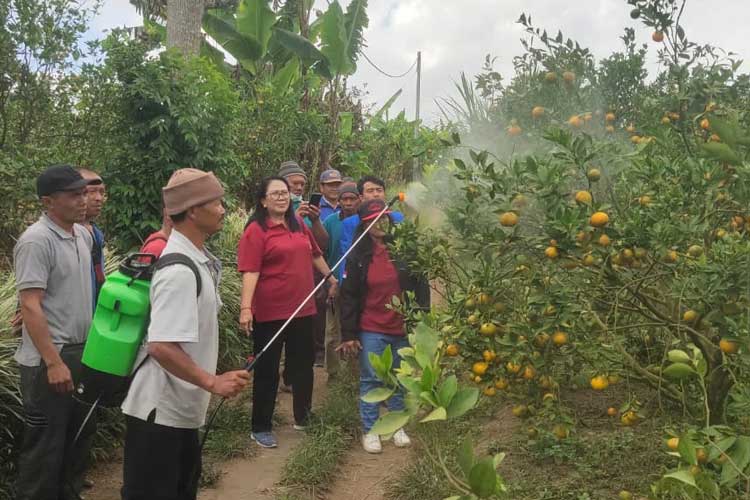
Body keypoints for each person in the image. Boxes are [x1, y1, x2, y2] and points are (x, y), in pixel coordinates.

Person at [121, 168, 250, 500]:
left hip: (179, 412)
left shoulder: (197, 261)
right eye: (217, 202)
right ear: (193, 210)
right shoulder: (179, 270)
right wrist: (213, 381)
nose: (223, 209)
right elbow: (161, 346)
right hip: (159, 415)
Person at [13, 164, 96, 500]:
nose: (83, 200)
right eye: (74, 194)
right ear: (48, 201)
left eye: (84, 192)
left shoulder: (83, 235)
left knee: (77, 441)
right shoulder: (36, 240)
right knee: (44, 450)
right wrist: (53, 362)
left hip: (82, 352)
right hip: (51, 358)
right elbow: (31, 305)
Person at [237, 176, 339, 449]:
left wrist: (330, 278)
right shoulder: (256, 231)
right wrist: (246, 308)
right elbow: (250, 270)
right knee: (268, 370)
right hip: (270, 313)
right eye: (275, 194)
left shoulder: (299, 225)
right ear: (263, 201)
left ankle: (303, 417)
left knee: (303, 366)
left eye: (284, 193)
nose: (282, 198)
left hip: (303, 308)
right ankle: (260, 426)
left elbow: (315, 254)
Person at [338, 199, 430, 454]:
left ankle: (397, 425)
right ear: (365, 224)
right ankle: (371, 430)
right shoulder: (358, 256)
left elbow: (421, 286)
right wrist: (349, 334)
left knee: (400, 379)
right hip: (372, 326)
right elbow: (349, 297)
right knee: (372, 378)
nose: (382, 222)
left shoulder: (404, 250)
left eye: (385, 218)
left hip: (401, 326)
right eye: (375, 219)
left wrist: (422, 321)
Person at [321, 182, 361, 377]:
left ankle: (354, 374)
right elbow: (323, 253)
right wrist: (331, 282)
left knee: (355, 330)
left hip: (357, 287)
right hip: (335, 284)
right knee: (332, 332)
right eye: (343, 199)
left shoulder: (366, 222)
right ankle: (334, 373)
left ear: (359, 200)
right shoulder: (330, 222)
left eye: (351, 199)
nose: (347, 203)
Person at [337, 175, 405, 280]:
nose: (376, 194)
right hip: (364, 279)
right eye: (370, 191)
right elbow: (346, 257)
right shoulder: (350, 223)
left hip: (394, 277)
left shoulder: (397, 218)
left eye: (379, 190)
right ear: (361, 197)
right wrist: (344, 283)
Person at [77, 168, 107, 305]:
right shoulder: (63, 235)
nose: (99, 198)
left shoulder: (96, 234)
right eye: (92, 191)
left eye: (102, 192)